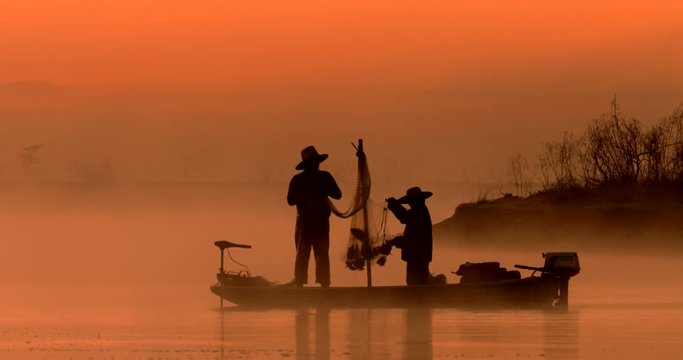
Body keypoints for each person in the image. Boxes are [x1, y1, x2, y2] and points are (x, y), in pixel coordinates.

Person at [287, 145, 342, 287]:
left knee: (309, 254)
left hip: (315, 223)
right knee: (314, 254)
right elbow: (291, 201)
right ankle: (320, 285)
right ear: (313, 163)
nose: (317, 164)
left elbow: (290, 201)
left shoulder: (302, 179)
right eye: (315, 161)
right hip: (310, 223)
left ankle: (305, 284)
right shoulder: (320, 177)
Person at [386, 186, 433, 285]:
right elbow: (411, 236)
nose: (410, 204)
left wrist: (395, 206)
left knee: (415, 286)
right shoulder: (420, 211)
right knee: (418, 285)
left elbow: (405, 218)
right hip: (418, 257)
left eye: (411, 201)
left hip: (417, 258)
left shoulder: (419, 212)